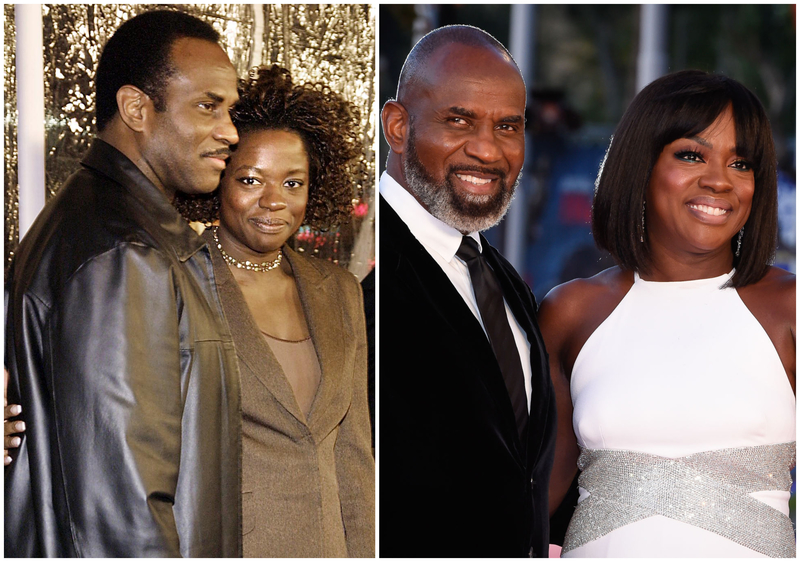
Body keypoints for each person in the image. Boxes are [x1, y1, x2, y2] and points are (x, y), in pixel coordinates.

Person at [4, 10, 243, 557]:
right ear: (136, 108)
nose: (230, 131)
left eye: (231, 109)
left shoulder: (112, 227)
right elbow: (121, 508)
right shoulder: (124, 251)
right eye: (208, 106)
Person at [538, 70, 795, 557]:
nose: (719, 180)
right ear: (641, 164)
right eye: (691, 155)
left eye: (742, 163)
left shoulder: (790, 307)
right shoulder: (571, 312)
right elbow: (532, 498)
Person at [174, 64, 374, 557]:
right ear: (219, 180)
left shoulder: (341, 290)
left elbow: (353, 457)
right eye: (250, 179)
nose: (273, 202)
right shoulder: (175, 282)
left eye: (292, 183)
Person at [379, 25, 556, 557]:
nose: (486, 150)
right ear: (397, 126)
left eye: (508, 126)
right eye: (459, 120)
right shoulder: (355, 268)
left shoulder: (502, 284)